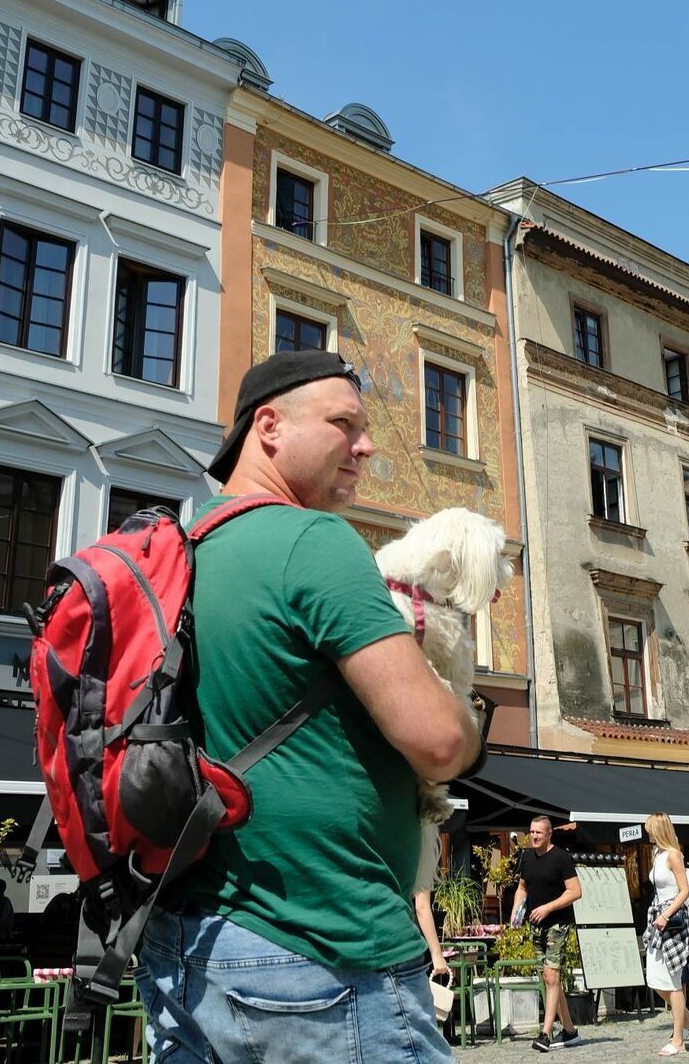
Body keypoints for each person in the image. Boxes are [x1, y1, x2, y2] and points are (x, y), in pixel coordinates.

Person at [136, 350, 482, 1064]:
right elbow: (438, 742)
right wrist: (464, 706)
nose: (367, 445)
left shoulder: (183, 549)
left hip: (182, 946)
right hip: (323, 952)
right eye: (343, 424)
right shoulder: (314, 543)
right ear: (269, 427)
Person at [641, 813, 689, 1056]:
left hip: (671, 922)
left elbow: (684, 891)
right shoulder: (657, 855)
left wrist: (666, 914)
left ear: (659, 830)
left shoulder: (673, 855)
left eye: (650, 829)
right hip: (657, 920)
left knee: (673, 981)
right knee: (654, 978)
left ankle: (679, 1039)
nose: (647, 833)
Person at [511, 817, 582, 1052]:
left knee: (552, 975)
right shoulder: (527, 856)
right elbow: (522, 887)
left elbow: (575, 892)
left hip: (557, 923)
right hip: (535, 924)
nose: (534, 836)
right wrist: (515, 912)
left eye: (538, 833)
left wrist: (548, 907)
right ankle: (570, 1031)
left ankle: (545, 1033)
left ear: (549, 834)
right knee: (549, 978)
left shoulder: (561, 858)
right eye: (531, 832)